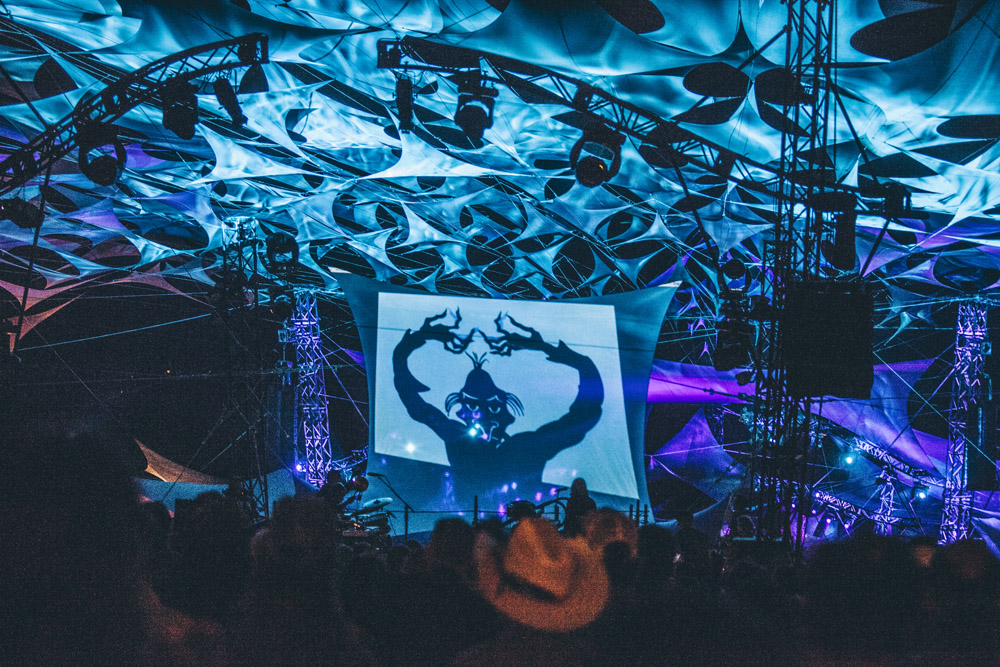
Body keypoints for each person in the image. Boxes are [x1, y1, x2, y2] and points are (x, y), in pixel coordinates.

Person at [393, 310, 603, 507]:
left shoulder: (523, 446)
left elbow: (585, 415)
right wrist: (404, 351)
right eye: (474, 405)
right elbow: (417, 406)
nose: (483, 415)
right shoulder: (462, 440)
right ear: (462, 411)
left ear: (505, 412)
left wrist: (406, 349)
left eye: (492, 406)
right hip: (477, 523)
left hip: (519, 530)